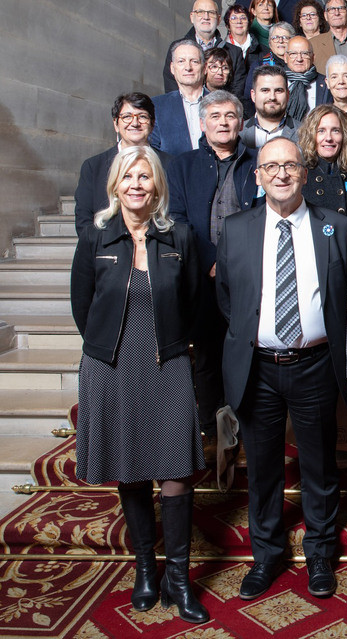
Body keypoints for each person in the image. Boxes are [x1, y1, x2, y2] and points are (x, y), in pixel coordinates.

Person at [70, 146, 207, 623]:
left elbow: (193, 301)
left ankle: (179, 579)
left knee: (174, 472)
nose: (135, 184)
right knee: (130, 468)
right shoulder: (95, 238)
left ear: (156, 187)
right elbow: (82, 308)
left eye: (144, 177)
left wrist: (177, 344)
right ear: (115, 184)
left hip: (167, 362)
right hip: (112, 366)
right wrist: (109, 350)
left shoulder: (179, 237)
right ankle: (145, 570)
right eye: (128, 176)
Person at [215, 137, 347, 603]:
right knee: (263, 469)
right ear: (257, 175)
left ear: (304, 172)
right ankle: (267, 556)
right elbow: (228, 300)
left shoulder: (336, 225)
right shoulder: (235, 229)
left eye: (289, 166)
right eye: (270, 166)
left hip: (315, 364)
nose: (280, 174)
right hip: (258, 366)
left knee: (319, 466)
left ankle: (319, 554)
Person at [166, 92, 261, 436]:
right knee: (206, 355)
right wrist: (209, 260)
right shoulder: (182, 165)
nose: (223, 122)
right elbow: (175, 219)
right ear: (203, 123)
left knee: (247, 353)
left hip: (249, 275)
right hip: (200, 277)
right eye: (216, 115)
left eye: (230, 115)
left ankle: (246, 428)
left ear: (241, 122)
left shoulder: (258, 162)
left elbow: (264, 216)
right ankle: (209, 431)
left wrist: (239, 262)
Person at [75, 93, 165, 240]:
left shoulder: (171, 164)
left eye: (142, 116)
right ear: (116, 124)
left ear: (152, 124)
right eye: (127, 117)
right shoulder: (93, 167)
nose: (134, 123)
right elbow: (84, 219)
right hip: (106, 251)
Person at [300, 104, 347, 225]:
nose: (328, 138)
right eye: (321, 131)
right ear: (311, 135)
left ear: (344, 136)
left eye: (335, 131)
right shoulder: (300, 176)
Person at [150, 40, 207, 156]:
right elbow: (152, 152)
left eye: (194, 62)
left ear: (204, 68)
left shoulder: (221, 103)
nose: (188, 67)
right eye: (181, 61)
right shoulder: (156, 106)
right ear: (172, 68)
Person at [161, 0, 225, 93]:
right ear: (192, 17)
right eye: (200, 12)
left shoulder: (233, 51)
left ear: (219, 19)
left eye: (211, 12)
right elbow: (171, 82)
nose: (206, 17)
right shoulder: (177, 48)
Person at [239, 65, 297, 150]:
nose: (272, 97)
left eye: (278, 91)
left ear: (288, 95)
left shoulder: (303, 132)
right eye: (265, 90)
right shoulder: (238, 132)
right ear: (253, 95)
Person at [323, 54, 347, 119]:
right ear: (327, 83)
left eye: (346, 76)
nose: (341, 81)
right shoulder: (321, 116)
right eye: (334, 77)